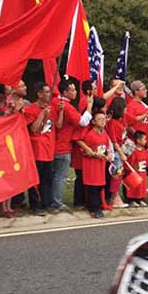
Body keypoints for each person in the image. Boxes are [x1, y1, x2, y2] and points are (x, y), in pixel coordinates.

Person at [51, 78, 93, 211]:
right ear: (65, 92)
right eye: (73, 90)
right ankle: (57, 202)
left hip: (53, 144)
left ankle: (51, 201)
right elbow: (83, 122)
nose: (75, 92)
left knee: (53, 176)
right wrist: (89, 106)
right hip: (63, 145)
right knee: (60, 176)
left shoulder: (54, 101)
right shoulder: (67, 107)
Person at [23, 82, 56, 216]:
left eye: (49, 92)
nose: (49, 94)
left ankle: (46, 203)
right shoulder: (30, 109)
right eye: (46, 92)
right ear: (39, 94)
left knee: (47, 179)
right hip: (37, 150)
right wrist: (42, 114)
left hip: (49, 149)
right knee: (36, 179)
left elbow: (58, 125)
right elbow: (33, 128)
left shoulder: (51, 108)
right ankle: (35, 205)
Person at [77, 111, 112, 218]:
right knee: (92, 188)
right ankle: (94, 208)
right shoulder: (90, 135)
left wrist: (108, 154)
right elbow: (84, 151)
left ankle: (98, 206)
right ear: (93, 122)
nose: (103, 121)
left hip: (101, 165)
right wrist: (94, 154)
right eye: (100, 119)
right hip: (91, 165)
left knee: (100, 186)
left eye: (104, 119)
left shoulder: (104, 134)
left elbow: (106, 148)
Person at [126, 131, 148, 206]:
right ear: (138, 140)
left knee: (142, 186)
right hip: (135, 172)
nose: (146, 141)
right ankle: (132, 200)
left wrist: (147, 167)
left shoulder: (144, 151)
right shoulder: (134, 151)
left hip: (142, 172)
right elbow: (131, 163)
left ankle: (140, 199)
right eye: (144, 139)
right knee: (134, 187)